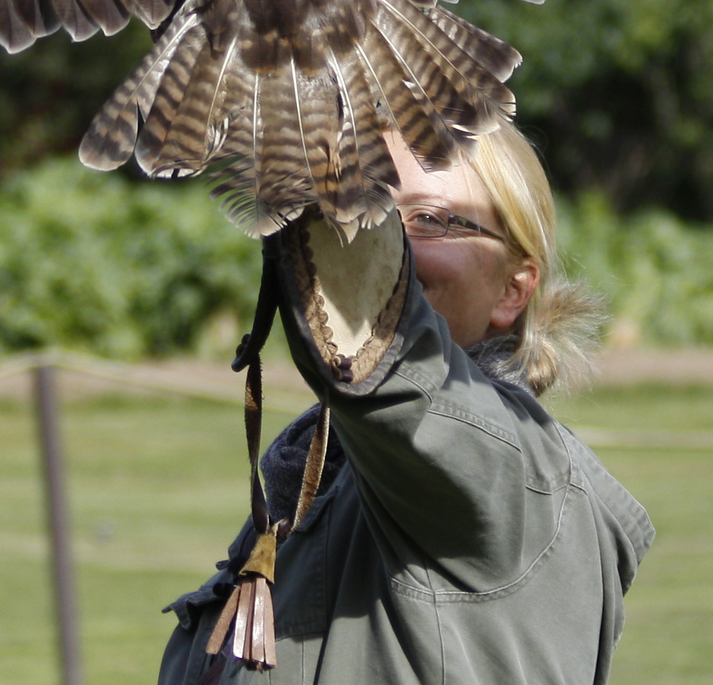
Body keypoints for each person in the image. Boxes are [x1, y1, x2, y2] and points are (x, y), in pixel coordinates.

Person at [159, 123, 654, 685]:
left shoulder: (501, 474)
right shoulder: (312, 475)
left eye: (428, 219)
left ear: (513, 288)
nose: (384, 236)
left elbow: (393, 367)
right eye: (374, 206)